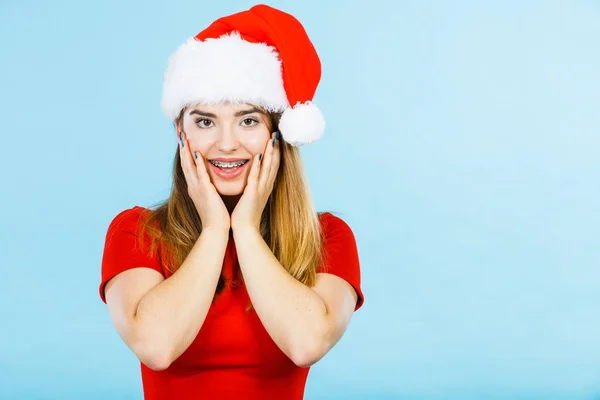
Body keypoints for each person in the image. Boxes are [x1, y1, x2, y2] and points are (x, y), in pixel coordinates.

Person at [99, 4, 364, 399]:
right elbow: (156, 347)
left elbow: (307, 344)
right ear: (180, 130)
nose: (225, 144)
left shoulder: (328, 237)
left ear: (279, 133)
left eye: (249, 120)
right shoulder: (136, 232)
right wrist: (214, 230)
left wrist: (244, 228)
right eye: (205, 121)